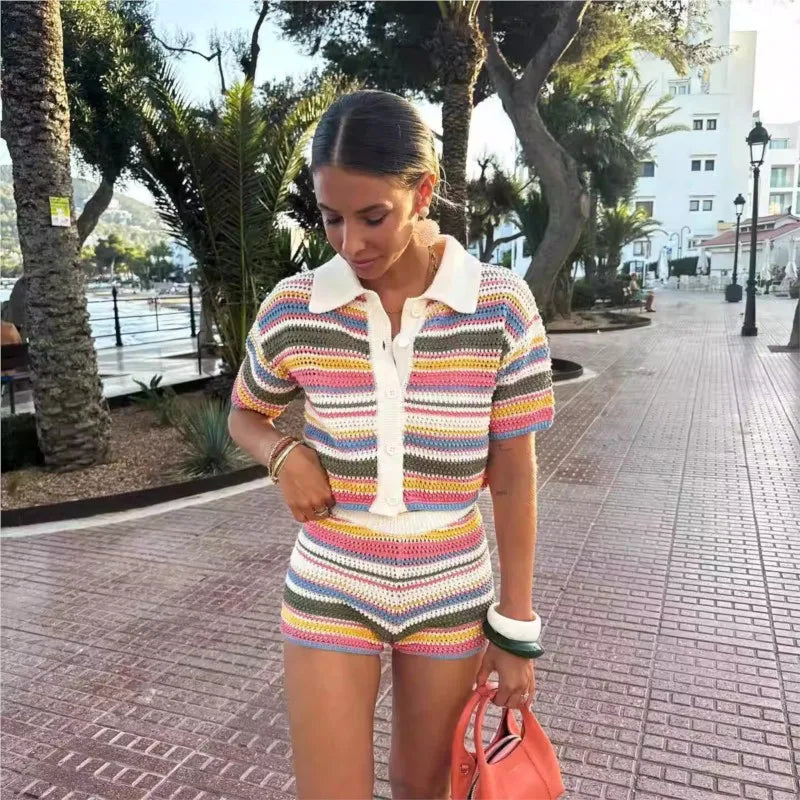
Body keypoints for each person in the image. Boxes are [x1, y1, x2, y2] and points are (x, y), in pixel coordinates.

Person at [228, 90, 555, 800]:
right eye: (331, 218)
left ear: (423, 192)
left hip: (450, 582)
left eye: (373, 216)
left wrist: (515, 627)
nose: (351, 243)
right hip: (332, 577)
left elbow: (514, 476)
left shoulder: (500, 306)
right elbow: (245, 412)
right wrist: (283, 456)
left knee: (422, 789)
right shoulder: (296, 308)